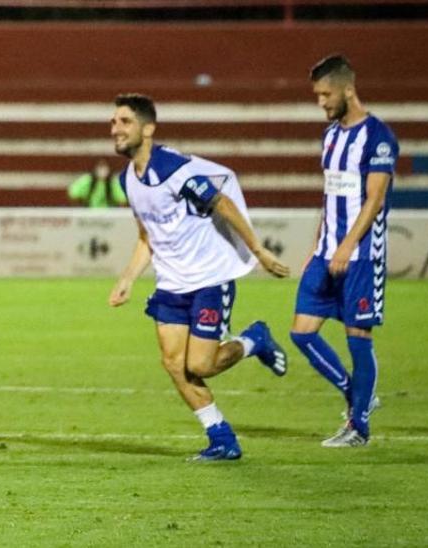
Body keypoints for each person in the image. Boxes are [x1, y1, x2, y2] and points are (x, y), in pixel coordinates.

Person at [106, 93, 291, 461]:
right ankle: (221, 438)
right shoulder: (129, 180)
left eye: (125, 122)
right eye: (114, 122)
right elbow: (148, 235)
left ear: (149, 128)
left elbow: (222, 203)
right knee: (174, 364)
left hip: (209, 279)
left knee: (201, 365)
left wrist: (259, 251)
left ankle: (255, 340)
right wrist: (128, 277)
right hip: (172, 284)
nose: (116, 129)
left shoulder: (176, 170)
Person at [289, 54, 397, 448]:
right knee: (301, 333)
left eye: (325, 94)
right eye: (317, 96)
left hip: (362, 256)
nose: (321, 102)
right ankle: (358, 395)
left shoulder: (378, 137)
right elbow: (330, 194)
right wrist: (319, 245)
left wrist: (348, 245)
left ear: (348, 89)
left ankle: (359, 428)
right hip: (325, 253)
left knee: (358, 339)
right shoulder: (331, 135)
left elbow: (375, 199)